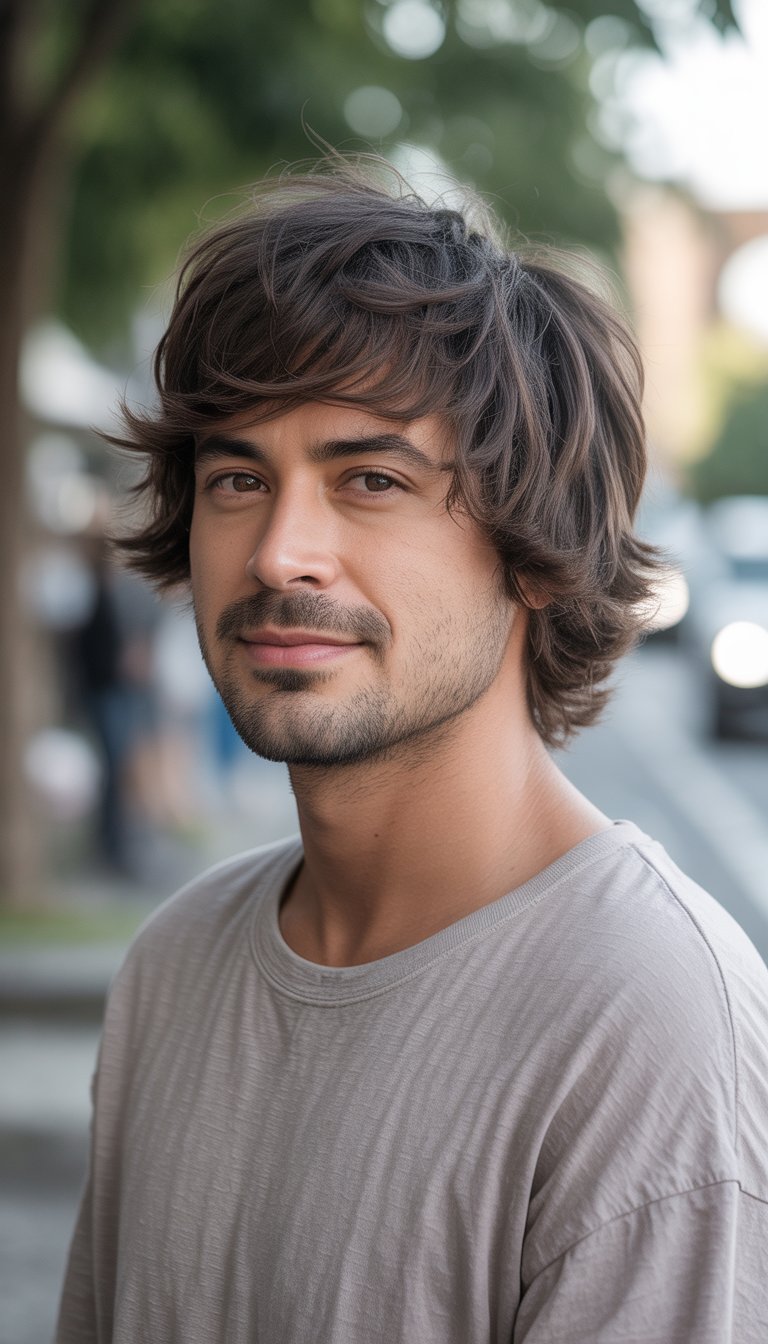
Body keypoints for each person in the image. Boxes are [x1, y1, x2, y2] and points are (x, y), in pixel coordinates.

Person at [57, 160, 768, 1343]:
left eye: (371, 480)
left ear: (534, 553)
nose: (281, 551)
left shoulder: (652, 1031)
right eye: (238, 476)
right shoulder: (174, 964)